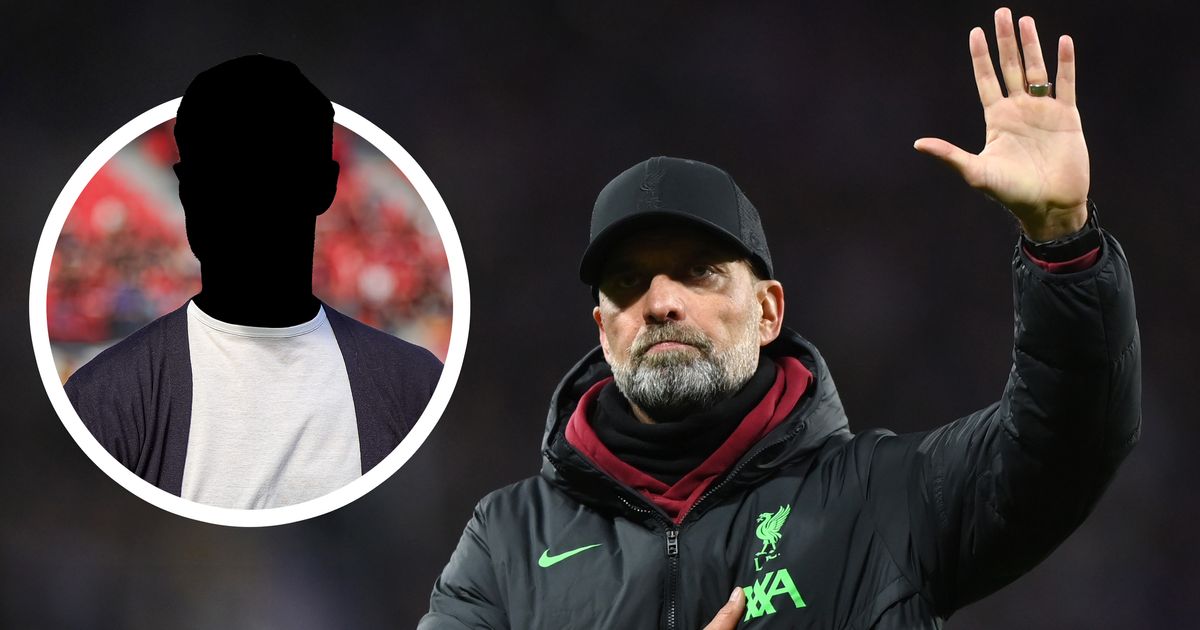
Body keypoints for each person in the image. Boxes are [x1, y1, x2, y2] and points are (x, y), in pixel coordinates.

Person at [420, 8, 1139, 629]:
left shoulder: (883, 500)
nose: (662, 301)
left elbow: (1067, 440)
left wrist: (1062, 242)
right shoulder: (505, 540)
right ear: (605, 328)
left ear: (768, 312)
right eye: (629, 282)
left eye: (699, 271)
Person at [64, 55, 443, 510]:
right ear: (186, 188)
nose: (244, 202)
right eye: (223, 175)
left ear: (323, 188)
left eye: (269, 175)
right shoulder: (104, 401)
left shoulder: (416, 387)